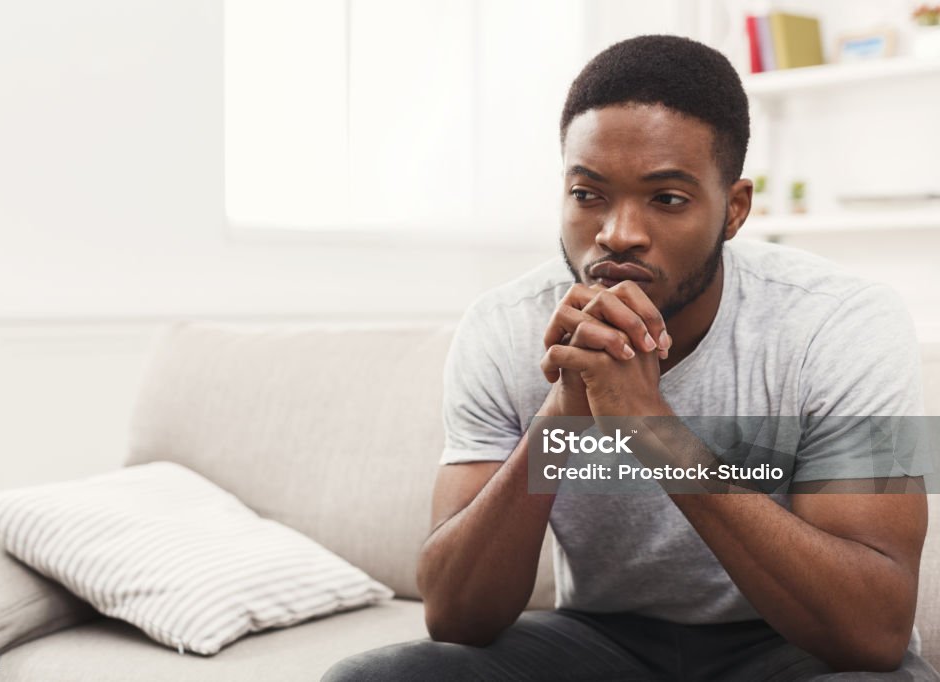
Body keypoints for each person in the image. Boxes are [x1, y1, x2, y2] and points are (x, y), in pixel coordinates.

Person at [323, 35, 939, 681]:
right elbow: (456, 618)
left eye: (667, 198)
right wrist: (564, 413)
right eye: (588, 195)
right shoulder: (503, 326)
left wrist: (650, 426)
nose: (617, 233)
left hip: (788, 647)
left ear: (733, 210)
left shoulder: (841, 320)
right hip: (601, 642)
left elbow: (872, 633)